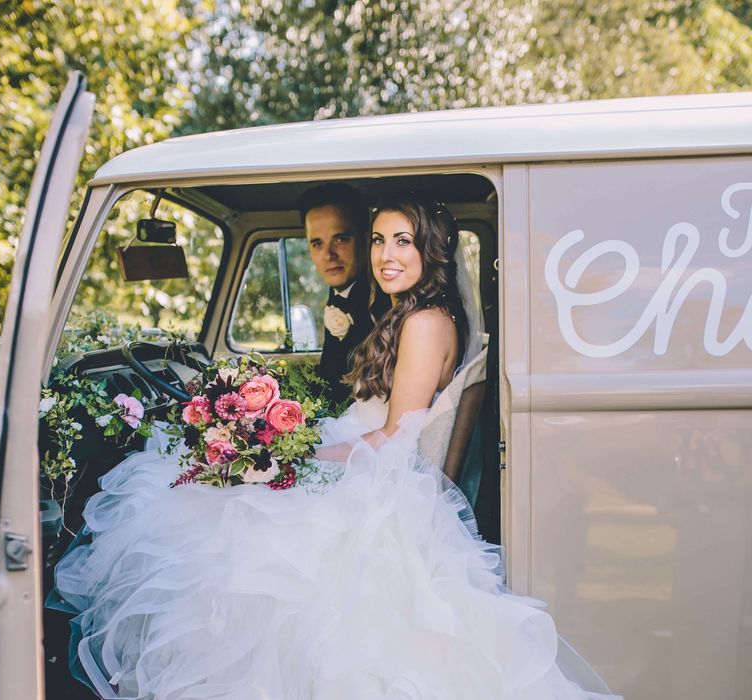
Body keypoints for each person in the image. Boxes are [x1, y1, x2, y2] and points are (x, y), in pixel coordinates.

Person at [52, 192, 619, 700]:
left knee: (216, 521)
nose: (385, 255)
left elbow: (394, 435)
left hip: (384, 473)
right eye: (378, 240)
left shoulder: (423, 322)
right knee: (212, 501)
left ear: (431, 250)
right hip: (369, 453)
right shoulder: (416, 313)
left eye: (403, 241)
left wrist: (297, 458)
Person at [300, 183, 390, 404]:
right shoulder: (338, 296)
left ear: (366, 238)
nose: (328, 254)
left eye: (340, 239)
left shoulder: (384, 306)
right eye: (317, 243)